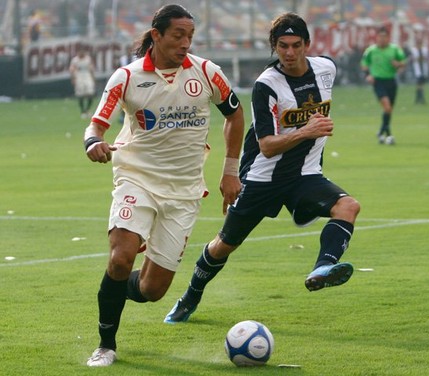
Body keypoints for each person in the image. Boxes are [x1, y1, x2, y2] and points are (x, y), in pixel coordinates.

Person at [164, 12, 360, 325]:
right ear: (274, 46)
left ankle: (323, 267)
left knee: (348, 206)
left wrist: (308, 136)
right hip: (262, 177)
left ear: (307, 44)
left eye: (297, 45)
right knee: (224, 245)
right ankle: (190, 295)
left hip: (305, 176)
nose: (290, 52)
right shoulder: (266, 85)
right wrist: (306, 131)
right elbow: (267, 144)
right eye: (283, 45)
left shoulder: (326, 69)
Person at [83, 4, 244, 367]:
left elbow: (235, 114)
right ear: (156, 35)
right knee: (121, 257)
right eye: (177, 35)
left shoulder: (206, 73)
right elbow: (96, 124)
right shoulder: (126, 77)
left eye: (190, 36)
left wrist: (230, 170)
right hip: (135, 178)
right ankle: (106, 345)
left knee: (153, 290)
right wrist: (93, 143)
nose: (186, 43)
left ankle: (112, 286)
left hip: (184, 191)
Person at [361, 27, 406, 145]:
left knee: (389, 109)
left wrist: (398, 64)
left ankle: (381, 132)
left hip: (391, 81)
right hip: (378, 82)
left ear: (388, 38)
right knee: (387, 107)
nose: (382, 39)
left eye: (384, 36)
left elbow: (403, 62)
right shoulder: (371, 50)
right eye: (380, 36)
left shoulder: (395, 49)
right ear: (376, 38)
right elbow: (364, 64)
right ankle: (388, 134)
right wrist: (368, 75)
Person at [69, 47, 96, 118]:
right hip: (79, 76)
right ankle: (83, 111)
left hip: (87, 75)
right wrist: (73, 78)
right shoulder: (75, 60)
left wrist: (93, 78)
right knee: (80, 94)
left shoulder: (88, 59)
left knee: (90, 93)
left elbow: (91, 69)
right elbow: (72, 69)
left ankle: (88, 109)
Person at [409, 38, 429, 104]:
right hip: (417, 70)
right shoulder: (413, 50)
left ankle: (418, 99)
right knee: (419, 84)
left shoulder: (425, 50)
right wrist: (420, 58)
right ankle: (421, 98)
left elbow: (428, 58)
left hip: (424, 69)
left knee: (421, 85)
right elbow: (412, 58)